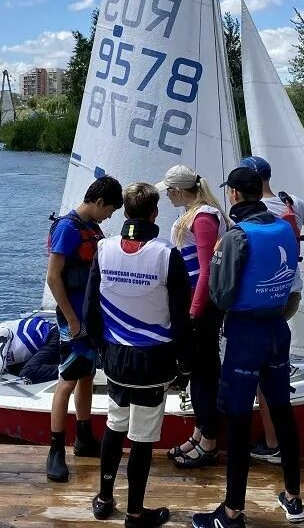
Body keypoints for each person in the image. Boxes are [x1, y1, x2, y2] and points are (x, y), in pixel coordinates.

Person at [192, 167, 304, 528]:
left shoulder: (236, 237)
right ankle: (293, 499)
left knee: (239, 421)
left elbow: (220, 294)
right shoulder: (287, 227)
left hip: (245, 336)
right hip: (278, 330)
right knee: (282, 413)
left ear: (235, 196)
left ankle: (231, 514)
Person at [83, 182, 192, 528]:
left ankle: (103, 498)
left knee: (115, 427)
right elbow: (181, 314)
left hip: (115, 357)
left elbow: (89, 311)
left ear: (125, 212)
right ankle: (134, 513)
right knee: (142, 438)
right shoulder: (166, 255)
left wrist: (103, 348)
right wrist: (184, 362)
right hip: (152, 361)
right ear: (153, 214)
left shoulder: (103, 248)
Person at [238, 155, 304, 464]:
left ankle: (273, 443)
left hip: (260, 299)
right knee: (271, 358)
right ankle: (277, 382)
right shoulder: (289, 201)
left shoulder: (247, 212)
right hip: (290, 295)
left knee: (259, 372)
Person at [45, 175, 124, 482]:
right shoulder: (67, 228)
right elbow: (54, 277)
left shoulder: (92, 227)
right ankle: (55, 451)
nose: (110, 215)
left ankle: (84, 436)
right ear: (99, 202)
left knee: (87, 377)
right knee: (67, 381)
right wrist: (73, 321)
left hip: (92, 319)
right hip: (74, 320)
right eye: (110, 210)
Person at [157, 164, 228, 469]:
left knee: (203, 375)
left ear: (181, 190)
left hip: (204, 306)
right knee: (199, 373)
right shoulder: (196, 213)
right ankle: (200, 433)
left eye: (169, 190)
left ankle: (209, 442)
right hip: (197, 303)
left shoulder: (203, 218)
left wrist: (194, 312)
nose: (167, 195)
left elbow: (205, 270)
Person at [0, 314, 60, 383]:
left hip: (53, 335)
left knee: (27, 372)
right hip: (45, 346)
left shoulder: (0, 333)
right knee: (14, 371)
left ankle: (70, 371)